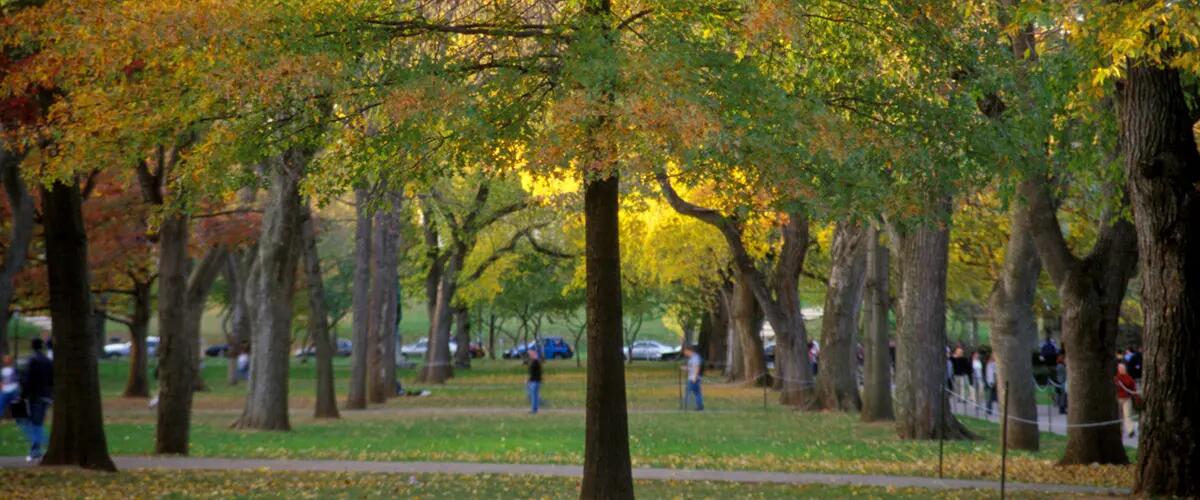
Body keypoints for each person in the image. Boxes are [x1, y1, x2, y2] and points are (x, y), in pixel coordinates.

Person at [19, 338, 53, 461]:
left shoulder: (32, 361)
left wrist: (23, 395)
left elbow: (28, 380)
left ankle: (36, 449)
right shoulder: (48, 361)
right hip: (46, 396)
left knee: (34, 423)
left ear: (32, 347)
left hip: (35, 396)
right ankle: (39, 446)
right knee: (37, 422)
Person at [1115, 362, 1139, 438]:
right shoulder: (1115, 378)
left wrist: (1136, 398)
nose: (1122, 369)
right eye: (1121, 368)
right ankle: (1119, 430)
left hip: (1127, 399)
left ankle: (1130, 430)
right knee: (1118, 416)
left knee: (1128, 415)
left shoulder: (1129, 378)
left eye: (1123, 368)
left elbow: (1133, 389)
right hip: (1118, 399)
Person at [683, 344, 704, 411]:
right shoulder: (692, 358)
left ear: (689, 351)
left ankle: (685, 405)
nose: (685, 353)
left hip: (693, 378)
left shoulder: (695, 358)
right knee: (697, 392)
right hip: (692, 377)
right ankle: (699, 406)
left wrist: (694, 377)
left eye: (685, 351)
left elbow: (696, 367)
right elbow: (691, 367)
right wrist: (685, 368)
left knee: (688, 391)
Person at [526, 348, 542, 414]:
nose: (529, 355)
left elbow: (534, 373)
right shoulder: (534, 361)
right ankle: (534, 409)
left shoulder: (535, 361)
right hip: (534, 381)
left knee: (533, 396)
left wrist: (529, 379)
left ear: (534, 353)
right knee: (533, 395)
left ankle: (534, 410)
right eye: (529, 353)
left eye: (530, 353)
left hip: (535, 381)